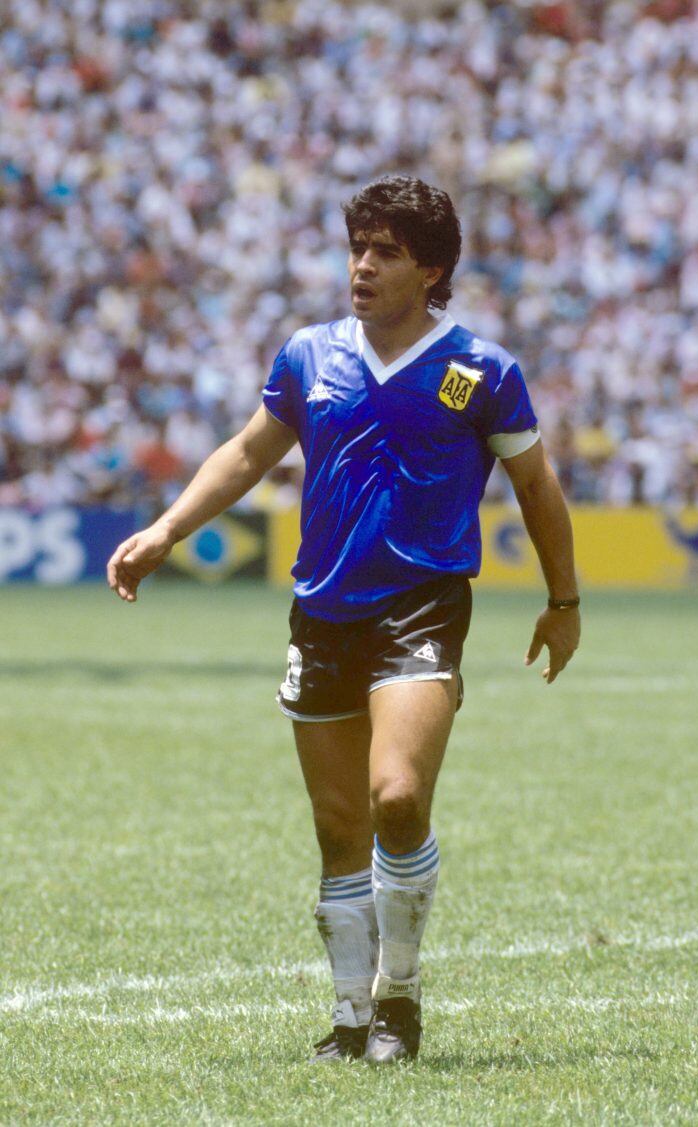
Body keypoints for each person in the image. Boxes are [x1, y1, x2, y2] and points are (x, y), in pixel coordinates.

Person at [107, 175, 580, 1065]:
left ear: (430, 270)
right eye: (357, 245)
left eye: (386, 251)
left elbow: (536, 488)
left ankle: (397, 998)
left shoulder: (480, 370)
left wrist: (564, 600)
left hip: (422, 607)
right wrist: (167, 529)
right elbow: (250, 450)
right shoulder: (307, 353)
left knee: (396, 798)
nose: (362, 264)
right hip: (321, 610)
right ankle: (348, 1019)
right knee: (336, 828)